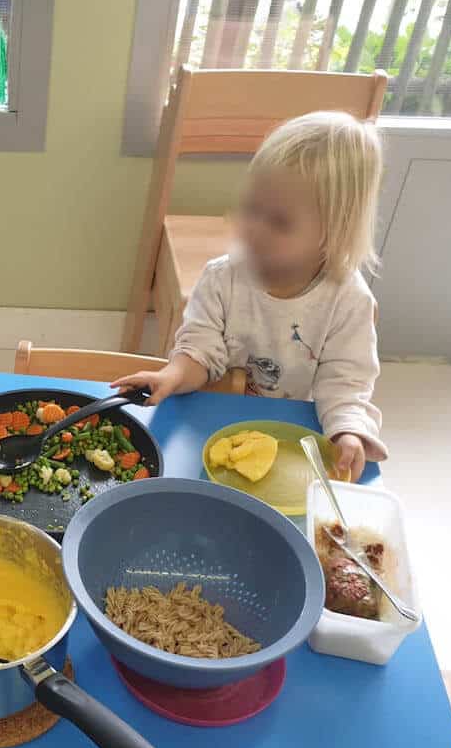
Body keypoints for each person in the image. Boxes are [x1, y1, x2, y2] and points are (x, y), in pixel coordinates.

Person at [112, 111, 386, 482]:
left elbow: (346, 384)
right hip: (215, 427)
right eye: (251, 208)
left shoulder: (348, 301)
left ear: (333, 232)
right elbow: (200, 349)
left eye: (279, 222)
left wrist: (348, 431)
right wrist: (173, 375)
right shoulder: (222, 278)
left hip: (291, 445)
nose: (256, 228)